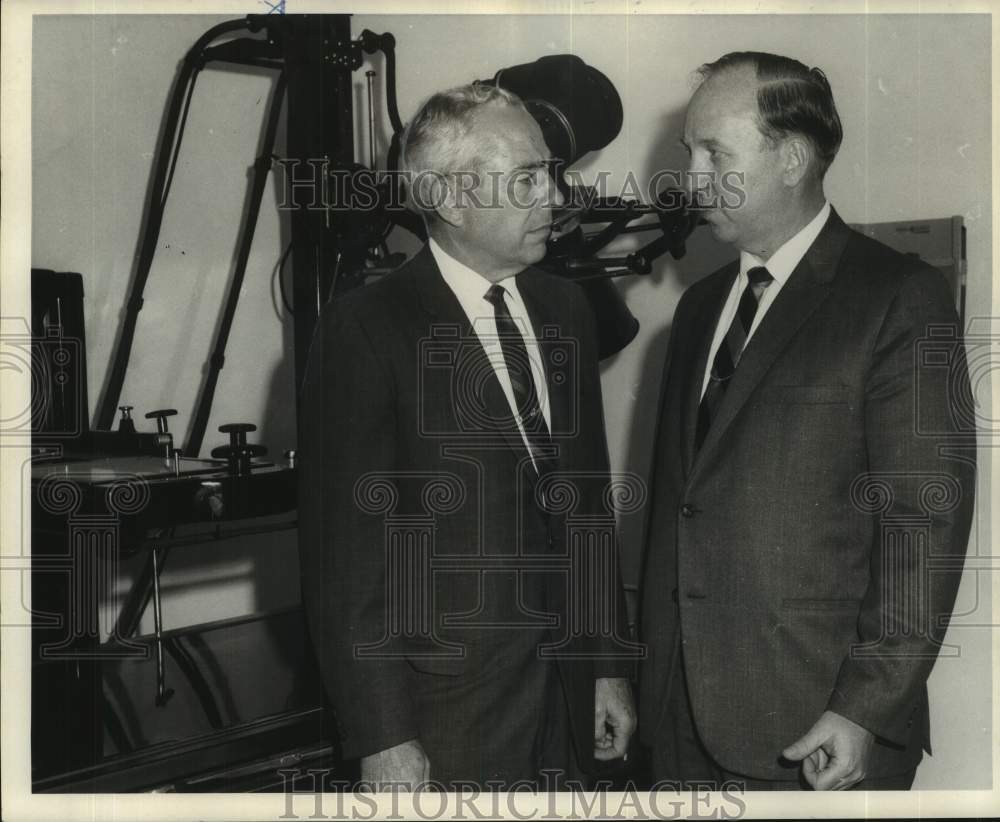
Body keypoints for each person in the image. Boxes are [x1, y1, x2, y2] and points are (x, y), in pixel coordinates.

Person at [638, 52, 975, 790]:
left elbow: (925, 526)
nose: (691, 177)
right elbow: (681, 510)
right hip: (679, 723)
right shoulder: (696, 313)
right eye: (688, 151)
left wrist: (863, 710)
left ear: (790, 159)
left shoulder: (897, 298)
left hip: (818, 734)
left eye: (714, 153)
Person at [297, 82, 636, 790]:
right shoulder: (366, 329)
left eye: (549, 171)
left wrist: (606, 665)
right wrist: (382, 734)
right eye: (526, 179)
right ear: (450, 201)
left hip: (568, 698)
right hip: (447, 715)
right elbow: (345, 563)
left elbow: (588, 508)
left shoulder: (565, 307)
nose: (554, 197)